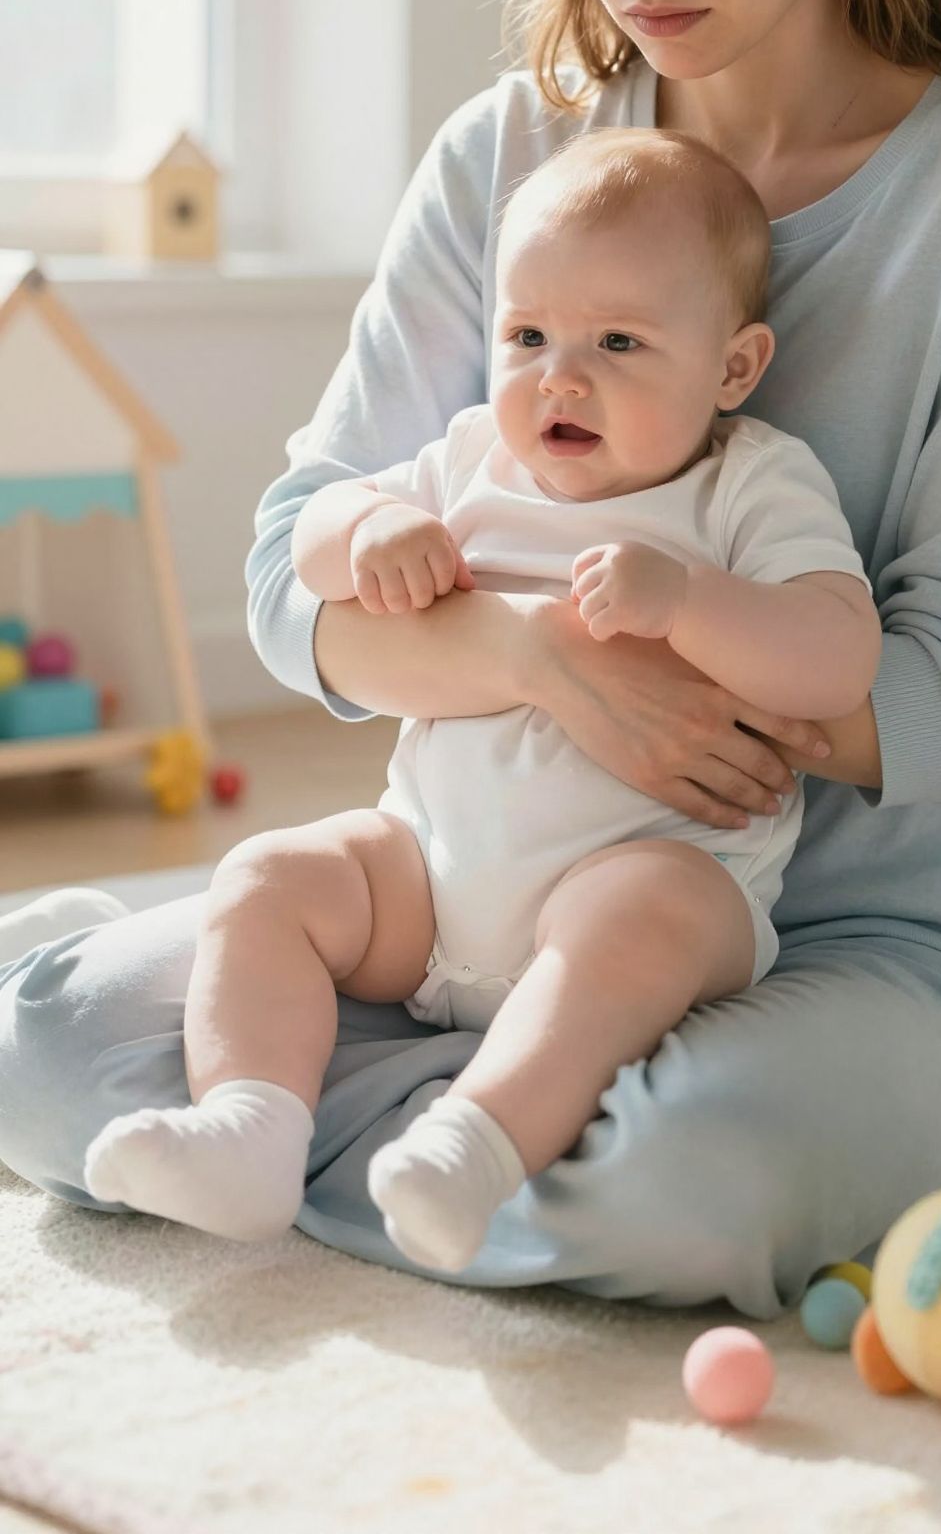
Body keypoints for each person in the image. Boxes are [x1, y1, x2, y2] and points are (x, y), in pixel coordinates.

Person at [0, 0, 941, 1318]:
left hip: (855, 939)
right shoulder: (512, 154)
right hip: (470, 904)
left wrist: (664, 664)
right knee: (48, 1038)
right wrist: (540, 658)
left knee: (685, 1183)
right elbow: (299, 557)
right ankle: (451, 1132)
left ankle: (392, 1128)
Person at [78, 129, 879, 1265]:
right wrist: (370, 529)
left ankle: (475, 1147)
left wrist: (691, 601)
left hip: (640, 877)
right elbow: (303, 537)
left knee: (642, 910)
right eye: (528, 334)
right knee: (267, 875)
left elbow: (838, 657)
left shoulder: (750, 482)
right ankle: (248, 1130)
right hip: (428, 889)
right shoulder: (467, 463)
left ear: (734, 367)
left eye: (619, 340)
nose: (562, 374)